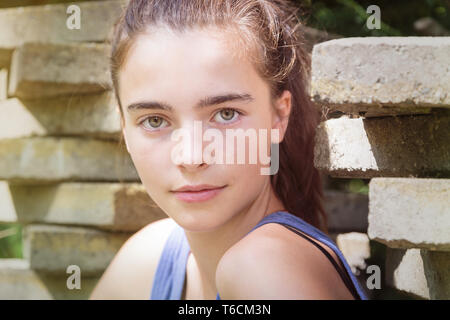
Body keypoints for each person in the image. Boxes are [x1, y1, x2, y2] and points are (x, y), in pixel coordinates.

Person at [89, 0, 368, 300]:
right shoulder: (148, 259)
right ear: (124, 129)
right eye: (154, 120)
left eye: (225, 114)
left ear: (279, 116)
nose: (191, 157)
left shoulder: (265, 268)